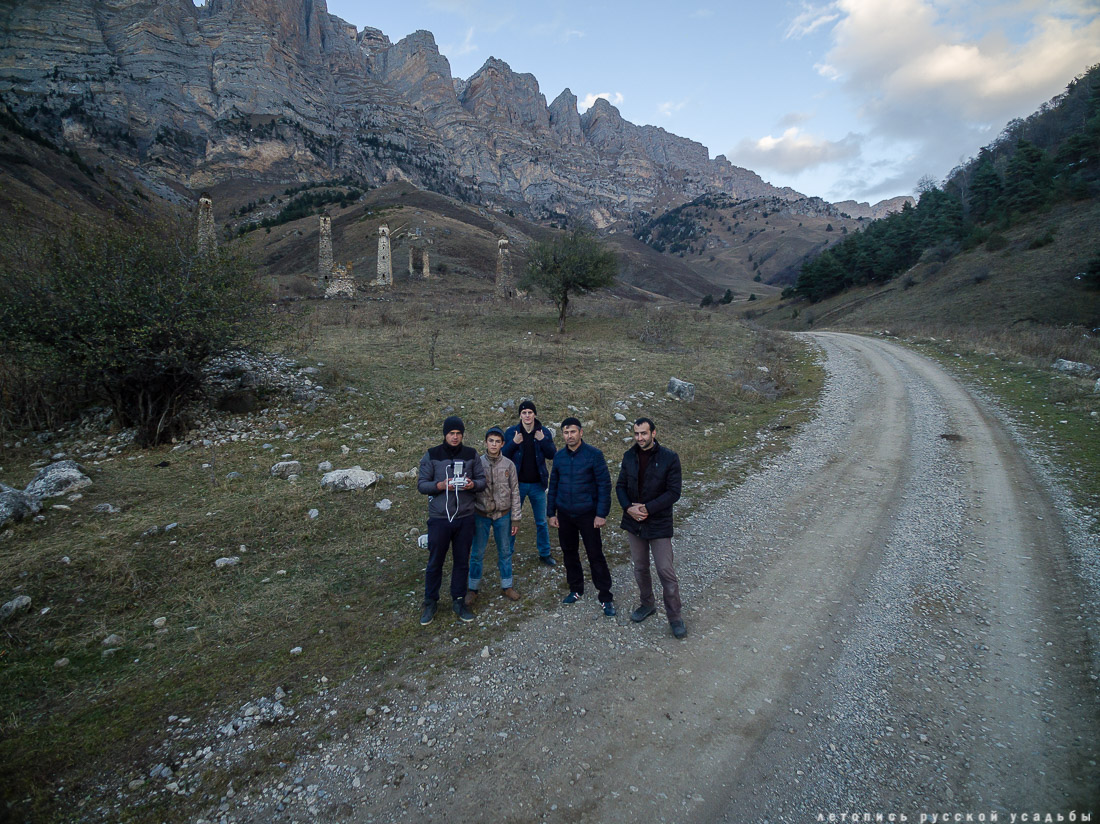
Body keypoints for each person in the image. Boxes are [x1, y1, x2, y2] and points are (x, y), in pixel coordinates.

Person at [615, 417, 685, 638]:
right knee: (640, 567)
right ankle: (647, 604)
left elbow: (674, 492)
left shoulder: (669, 458)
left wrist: (647, 508)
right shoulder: (629, 457)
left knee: (665, 570)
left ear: (653, 433)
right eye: (636, 434)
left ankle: (675, 617)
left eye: (644, 434)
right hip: (634, 523)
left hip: (658, 523)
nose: (640, 438)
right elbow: (620, 486)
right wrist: (628, 508)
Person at [416, 415, 486, 625]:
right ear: (445, 434)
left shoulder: (471, 454)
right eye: (451, 433)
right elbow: (421, 485)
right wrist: (440, 486)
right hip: (439, 518)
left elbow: (482, 481)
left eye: (458, 434)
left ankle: (458, 600)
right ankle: (430, 602)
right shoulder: (432, 455)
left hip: (465, 517)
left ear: (462, 435)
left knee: (461, 561)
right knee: (435, 561)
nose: (455, 437)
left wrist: (471, 484)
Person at [546, 417, 615, 616]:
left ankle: (605, 596)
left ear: (581, 433)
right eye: (566, 433)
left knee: (595, 554)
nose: (569, 436)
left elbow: (604, 485)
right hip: (565, 514)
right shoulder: (559, 457)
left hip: (588, 514)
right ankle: (576, 589)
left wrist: (601, 513)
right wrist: (551, 513)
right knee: (569, 553)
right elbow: (554, 486)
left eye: (573, 432)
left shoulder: (594, 455)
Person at [467, 426, 522, 605]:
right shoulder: (477, 463)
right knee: (477, 553)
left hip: (503, 515)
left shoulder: (509, 465)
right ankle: (473, 588)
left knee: (505, 551)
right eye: (491, 440)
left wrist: (516, 518)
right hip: (481, 514)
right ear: (485, 442)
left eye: (498, 441)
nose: (494, 444)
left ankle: (507, 586)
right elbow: (470, 489)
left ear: (502, 444)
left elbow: (515, 491)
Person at [502, 400, 557, 566]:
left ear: (534, 414)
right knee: (513, 520)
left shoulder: (543, 432)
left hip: (537, 485)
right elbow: (502, 455)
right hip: (516, 485)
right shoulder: (512, 432)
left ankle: (545, 553)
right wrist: (514, 443)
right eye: (524, 412)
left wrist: (543, 440)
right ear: (520, 415)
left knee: (541, 521)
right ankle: (507, 554)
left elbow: (552, 454)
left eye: (530, 412)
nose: (527, 416)